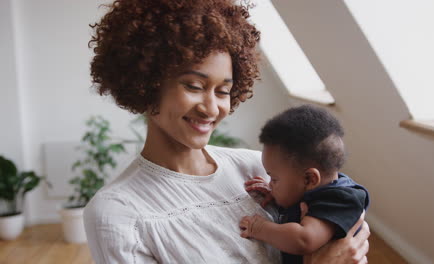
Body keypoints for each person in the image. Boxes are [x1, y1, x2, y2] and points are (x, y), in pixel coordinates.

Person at [83, 0, 370, 263]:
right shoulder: (118, 213)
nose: (211, 108)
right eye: (194, 86)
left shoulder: (259, 169)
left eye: (223, 91)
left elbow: (344, 233)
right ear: (146, 83)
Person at [239, 105, 370, 263]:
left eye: (274, 179)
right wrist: (274, 192)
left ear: (310, 179)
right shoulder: (311, 189)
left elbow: (303, 239)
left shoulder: (341, 199)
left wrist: (259, 228)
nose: (270, 184)